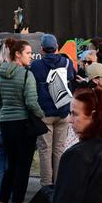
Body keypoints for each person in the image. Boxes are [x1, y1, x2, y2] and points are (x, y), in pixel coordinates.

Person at [0, 37, 45, 203]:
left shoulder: (0, 74)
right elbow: (31, 102)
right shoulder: (26, 74)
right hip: (24, 123)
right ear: (17, 54)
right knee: (23, 167)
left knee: (11, 165)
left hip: (6, 122)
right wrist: (41, 115)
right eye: (28, 53)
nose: (31, 56)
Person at [30, 33, 75, 186]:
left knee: (44, 150)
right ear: (57, 47)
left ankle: (46, 186)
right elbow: (72, 79)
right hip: (63, 112)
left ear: (42, 49)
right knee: (59, 150)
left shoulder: (35, 66)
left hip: (44, 113)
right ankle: (59, 184)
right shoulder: (67, 63)